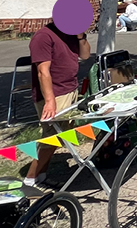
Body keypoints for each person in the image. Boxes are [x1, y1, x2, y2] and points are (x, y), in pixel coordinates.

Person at [24, 15, 90, 186]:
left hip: (70, 89)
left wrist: (81, 36)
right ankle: (29, 180)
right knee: (51, 136)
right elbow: (42, 71)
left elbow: (85, 54)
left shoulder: (72, 35)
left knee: (60, 136)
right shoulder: (43, 37)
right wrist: (49, 100)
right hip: (54, 93)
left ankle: (41, 176)